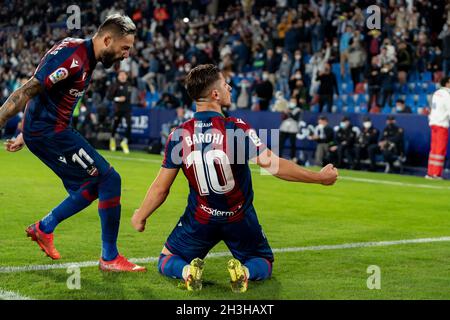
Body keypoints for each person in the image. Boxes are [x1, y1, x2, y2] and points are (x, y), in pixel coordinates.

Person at [130, 64, 338, 293]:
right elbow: (274, 165)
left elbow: (161, 188)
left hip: (200, 219)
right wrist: (319, 177)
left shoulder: (179, 134)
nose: (229, 87)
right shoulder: (236, 129)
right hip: (238, 217)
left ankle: (187, 272)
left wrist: (141, 216)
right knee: (262, 259)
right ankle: (244, 273)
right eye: (224, 84)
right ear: (215, 94)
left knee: (167, 259)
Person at [0, 14, 146, 272]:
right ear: (107, 39)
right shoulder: (73, 59)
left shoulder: (82, 55)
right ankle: (109, 258)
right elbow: (28, 90)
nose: (126, 55)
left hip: (48, 130)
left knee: (93, 185)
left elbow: (46, 94)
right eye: (125, 48)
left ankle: (44, 227)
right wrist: (14, 125)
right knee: (111, 180)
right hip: (50, 133)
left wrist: (25, 133)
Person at [426, 76, 450, 179]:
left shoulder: (436, 93)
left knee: (434, 150)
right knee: (440, 150)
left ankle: (430, 172)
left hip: (433, 123)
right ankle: (436, 174)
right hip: (442, 124)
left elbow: (432, 108)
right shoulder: (448, 94)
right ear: (447, 84)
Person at [108, 70, 132, 154]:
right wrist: (118, 99)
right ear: (118, 76)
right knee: (115, 125)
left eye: (124, 75)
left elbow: (128, 97)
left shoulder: (129, 85)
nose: (122, 76)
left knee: (129, 125)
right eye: (121, 75)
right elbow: (109, 97)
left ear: (126, 76)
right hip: (117, 109)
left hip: (127, 109)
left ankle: (124, 142)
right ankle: (112, 139)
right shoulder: (115, 85)